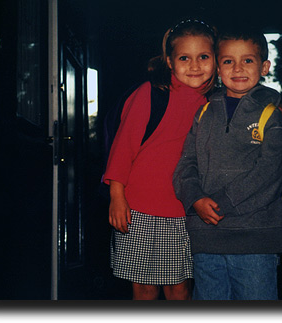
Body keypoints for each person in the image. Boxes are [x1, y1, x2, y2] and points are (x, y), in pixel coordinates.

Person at [173, 27, 282, 300]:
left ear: (264, 67)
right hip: (206, 239)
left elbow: (269, 175)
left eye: (247, 60)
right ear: (217, 67)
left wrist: (220, 203)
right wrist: (195, 199)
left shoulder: (271, 115)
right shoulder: (204, 112)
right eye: (228, 61)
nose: (238, 68)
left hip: (255, 239)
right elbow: (186, 163)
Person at [103, 19, 217, 300]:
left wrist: (276, 107)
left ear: (216, 59)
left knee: (179, 289)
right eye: (184, 58)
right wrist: (117, 196)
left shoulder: (216, 101)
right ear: (169, 61)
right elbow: (123, 147)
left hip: (185, 211)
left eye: (203, 56)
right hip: (138, 209)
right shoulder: (151, 94)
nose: (194, 65)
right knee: (144, 289)